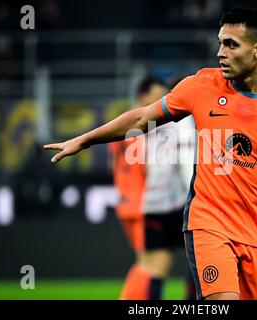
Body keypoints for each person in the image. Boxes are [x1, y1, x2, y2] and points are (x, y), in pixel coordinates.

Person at [44, 8, 257, 300]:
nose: (221, 52)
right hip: (209, 223)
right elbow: (141, 119)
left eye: (231, 44)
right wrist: (86, 140)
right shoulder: (201, 86)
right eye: (220, 42)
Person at [107, 76, 196, 300]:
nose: (161, 102)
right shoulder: (151, 128)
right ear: (143, 97)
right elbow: (151, 167)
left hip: (134, 202)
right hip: (149, 202)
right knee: (158, 266)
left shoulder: (123, 125)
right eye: (156, 97)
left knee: (151, 266)